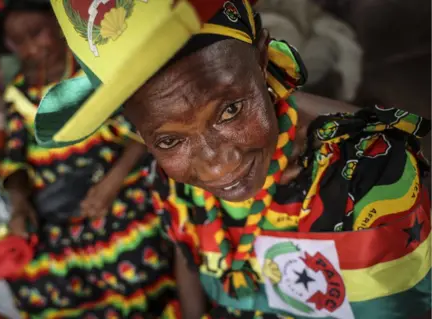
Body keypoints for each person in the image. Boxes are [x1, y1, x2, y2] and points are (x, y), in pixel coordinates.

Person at [35, 0, 431, 318]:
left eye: (229, 110)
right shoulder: (171, 178)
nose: (217, 167)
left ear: (262, 59)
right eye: (170, 139)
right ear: (142, 135)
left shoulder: (367, 180)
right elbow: (189, 257)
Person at [0, 1, 179, 318]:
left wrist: (109, 186)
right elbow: (14, 160)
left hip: (116, 187)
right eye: (19, 41)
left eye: (37, 32)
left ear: (59, 28)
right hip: (55, 209)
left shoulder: (92, 72)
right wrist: (19, 204)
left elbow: (140, 134)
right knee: (36, 281)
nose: (30, 47)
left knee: (130, 260)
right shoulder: (18, 94)